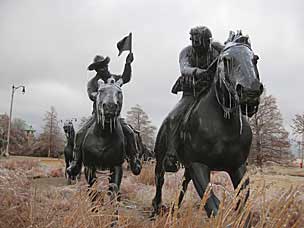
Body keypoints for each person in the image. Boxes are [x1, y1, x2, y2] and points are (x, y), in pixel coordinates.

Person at [67, 53, 141, 176]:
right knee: (80, 133)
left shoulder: (115, 79)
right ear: (96, 69)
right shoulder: (93, 82)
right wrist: (100, 94)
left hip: (115, 117)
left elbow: (126, 78)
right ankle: (76, 162)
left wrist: (128, 64)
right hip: (97, 116)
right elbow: (91, 95)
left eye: (105, 66)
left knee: (130, 133)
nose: (104, 69)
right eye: (100, 67)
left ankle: (134, 159)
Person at [164, 26, 224, 172]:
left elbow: (229, 56)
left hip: (213, 91)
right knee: (173, 118)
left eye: (200, 43)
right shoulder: (186, 52)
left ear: (208, 41)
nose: (197, 47)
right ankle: (171, 155)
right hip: (191, 92)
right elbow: (184, 68)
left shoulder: (218, 48)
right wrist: (198, 72)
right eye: (194, 43)